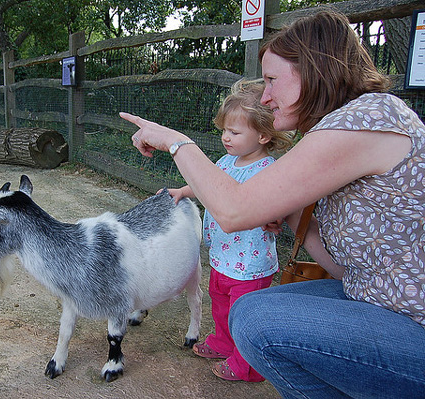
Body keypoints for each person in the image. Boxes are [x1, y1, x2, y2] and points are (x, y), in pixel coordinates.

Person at [120, 9, 425, 398]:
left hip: (411, 320)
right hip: (371, 296)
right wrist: (292, 213)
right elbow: (339, 267)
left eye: (272, 80)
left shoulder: (366, 119)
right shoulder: (345, 127)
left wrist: (175, 142)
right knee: (260, 309)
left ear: (314, 70)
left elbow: (232, 211)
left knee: (252, 317)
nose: (265, 96)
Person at [163, 79, 293, 382]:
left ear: (262, 135)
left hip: (251, 263)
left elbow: (281, 205)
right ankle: (223, 343)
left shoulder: (268, 171)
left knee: (244, 316)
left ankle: (247, 364)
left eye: (234, 132)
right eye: (224, 130)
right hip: (222, 256)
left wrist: (275, 216)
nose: (225, 137)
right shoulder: (226, 161)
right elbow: (205, 184)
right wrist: (183, 191)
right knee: (220, 305)